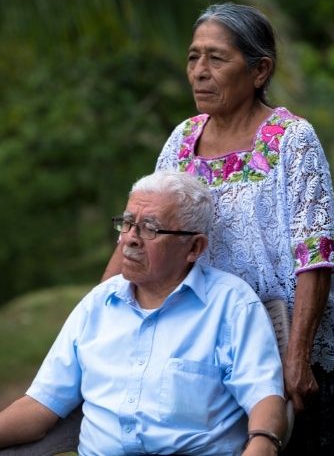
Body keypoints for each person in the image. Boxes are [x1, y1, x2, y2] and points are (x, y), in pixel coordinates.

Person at [102, 3, 334, 455]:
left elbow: (315, 251)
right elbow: (142, 225)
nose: (199, 71)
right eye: (193, 57)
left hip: (284, 340)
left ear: (260, 71)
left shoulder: (291, 139)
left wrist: (298, 357)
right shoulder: (183, 140)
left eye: (216, 59)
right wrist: (97, 317)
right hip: (205, 344)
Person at [0, 171, 286, 456]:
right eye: (127, 223)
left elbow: (264, 397)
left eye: (150, 228)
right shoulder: (97, 305)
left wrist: (263, 443)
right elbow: (39, 406)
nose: (130, 240)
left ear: (194, 247)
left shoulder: (232, 305)